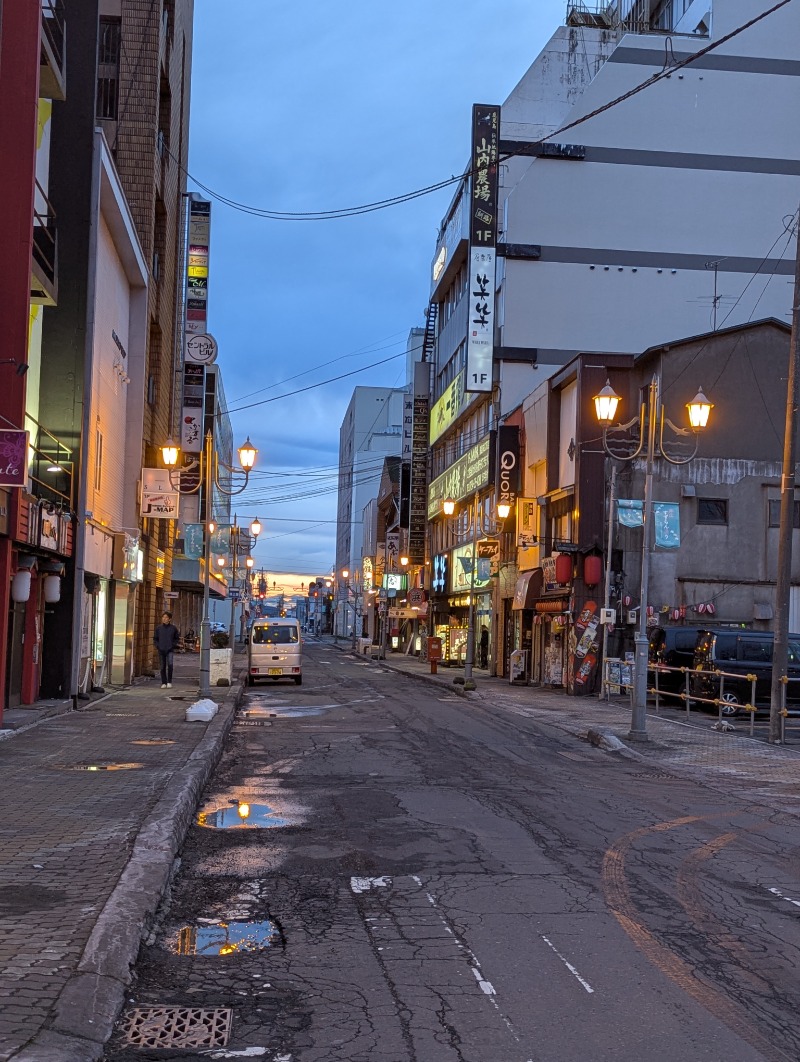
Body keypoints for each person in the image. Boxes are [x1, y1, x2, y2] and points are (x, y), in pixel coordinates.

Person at [154, 611, 180, 688]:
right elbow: (155, 639)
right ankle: (163, 682)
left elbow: (176, 638)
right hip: (161, 649)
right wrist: (158, 646)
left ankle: (169, 681)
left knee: (170, 665)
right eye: (163, 617)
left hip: (170, 649)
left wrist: (173, 645)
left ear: (169, 619)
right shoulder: (158, 628)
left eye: (166, 617)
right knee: (162, 667)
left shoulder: (173, 628)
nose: (164, 619)